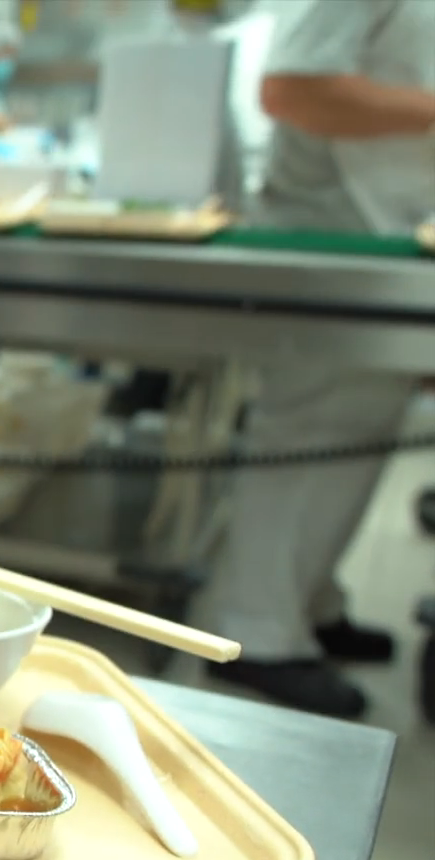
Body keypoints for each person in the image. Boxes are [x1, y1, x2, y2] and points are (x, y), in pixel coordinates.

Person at [196, 0, 434, 719]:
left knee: (355, 433)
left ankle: (309, 601)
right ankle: (254, 632)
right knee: (308, 434)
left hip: (382, 219)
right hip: (334, 227)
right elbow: (293, 87)